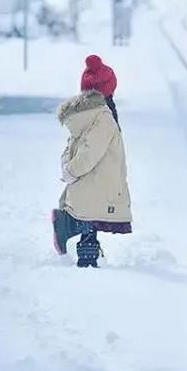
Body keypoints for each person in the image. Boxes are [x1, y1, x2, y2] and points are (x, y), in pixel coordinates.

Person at [52, 55, 132, 267]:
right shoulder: (103, 116)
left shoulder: (85, 115)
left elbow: (75, 146)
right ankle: (86, 258)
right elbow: (90, 152)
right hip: (96, 180)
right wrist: (72, 170)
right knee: (91, 218)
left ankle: (84, 245)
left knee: (90, 217)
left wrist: (70, 168)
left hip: (89, 183)